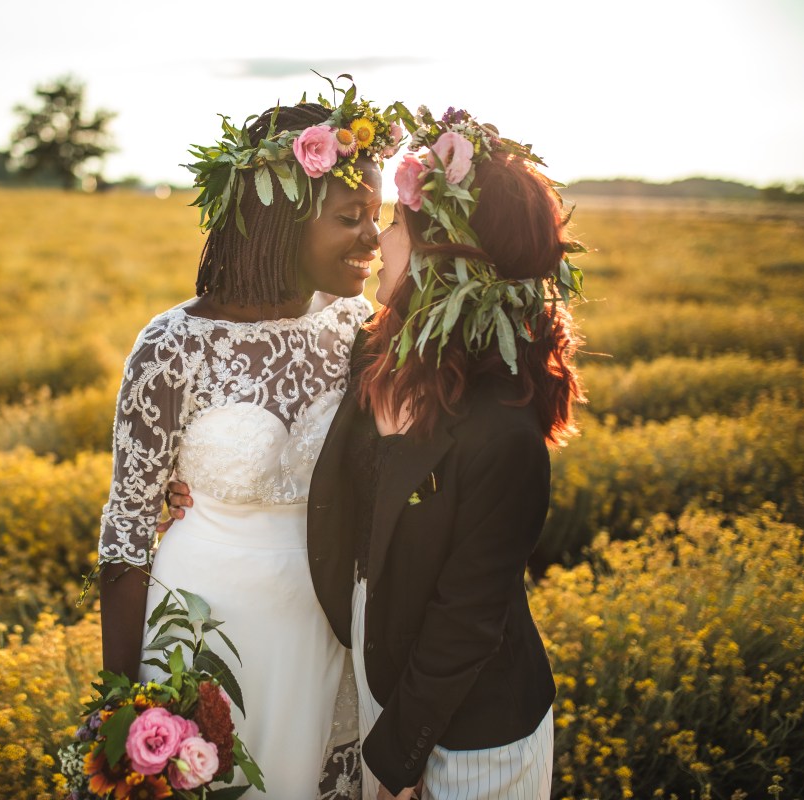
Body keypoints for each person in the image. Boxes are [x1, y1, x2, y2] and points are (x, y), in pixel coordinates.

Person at [98, 82, 402, 798]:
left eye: (379, 216)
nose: (372, 238)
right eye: (351, 217)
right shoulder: (172, 345)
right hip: (204, 623)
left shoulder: (359, 327)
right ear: (279, 220)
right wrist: (116, 709)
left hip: (325, 626)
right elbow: (126, 529)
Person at [306, 106, 586, 799]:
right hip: (382, 674)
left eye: (396, 226)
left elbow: (468, 617)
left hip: (477, 732)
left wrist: (399, 761)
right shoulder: (377, 350)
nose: (377, 237)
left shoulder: (504, 428)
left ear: (445, 257)